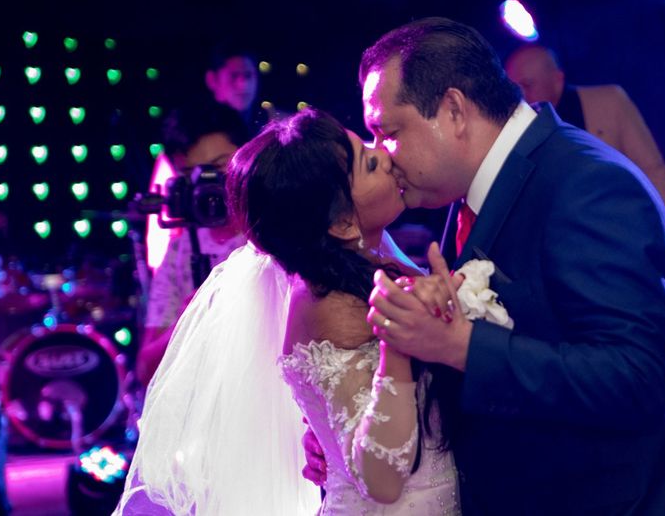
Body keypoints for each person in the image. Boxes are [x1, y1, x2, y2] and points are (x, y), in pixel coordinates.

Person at [350, 17, 665, 515]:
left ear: (453, 110)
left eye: (389, 131)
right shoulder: (474, 191)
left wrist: (465, 346)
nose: (385, 155)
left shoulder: (587, 185)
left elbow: (640, 377)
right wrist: (358, 429)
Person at [116, 107, 461, 515]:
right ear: (342, 224)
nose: (385, 154)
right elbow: (382, 478)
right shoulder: (332, 304)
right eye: (369, 162)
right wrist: (399, 342)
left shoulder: (370, 260)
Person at [137, 103, 249, 386]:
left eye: (218, 166)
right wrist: (190, 318)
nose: (207, 184)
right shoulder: (180, 251)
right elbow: (146, 368)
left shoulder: (275, 235)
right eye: (191, 175)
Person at [505, 44, 665, 226]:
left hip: (621, 234)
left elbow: (652, 169)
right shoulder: (513, 129)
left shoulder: (610, 102)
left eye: (528, 85)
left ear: (557, 80)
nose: (521, 97)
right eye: (514, 89)